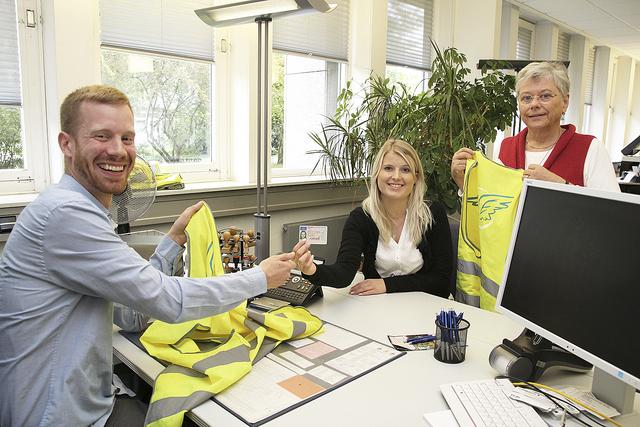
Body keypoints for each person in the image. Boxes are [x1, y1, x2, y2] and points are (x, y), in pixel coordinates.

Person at [0, 85, 295, 427]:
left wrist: (173, 240)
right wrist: (260, 277)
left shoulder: (75, 208)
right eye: (102, 136)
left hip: (85, 402)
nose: (118, 150)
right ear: (67, 144)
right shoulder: (66, 215)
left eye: (127, 138)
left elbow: (130, 313)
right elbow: (168, 301)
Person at [293, 139, 452, 298]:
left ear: (416, 178)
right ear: (377, 174)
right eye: (388, 168)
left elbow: (441, 281)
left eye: (405, 170)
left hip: (427, 305)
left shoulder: (432, 213)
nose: (396, 176)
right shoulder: (361, 218)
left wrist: (386, 284)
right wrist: (312, 270)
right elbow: (344, 272)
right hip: (377, 306)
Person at [451, 61, 620, 193]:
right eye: (526, 98)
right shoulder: (506, 148)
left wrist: (560, 186)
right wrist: (463, 181)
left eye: (545, 96)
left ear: (565, 102)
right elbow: (492, 207)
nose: (534, 104)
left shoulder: (589, 148)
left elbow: (613, 211)